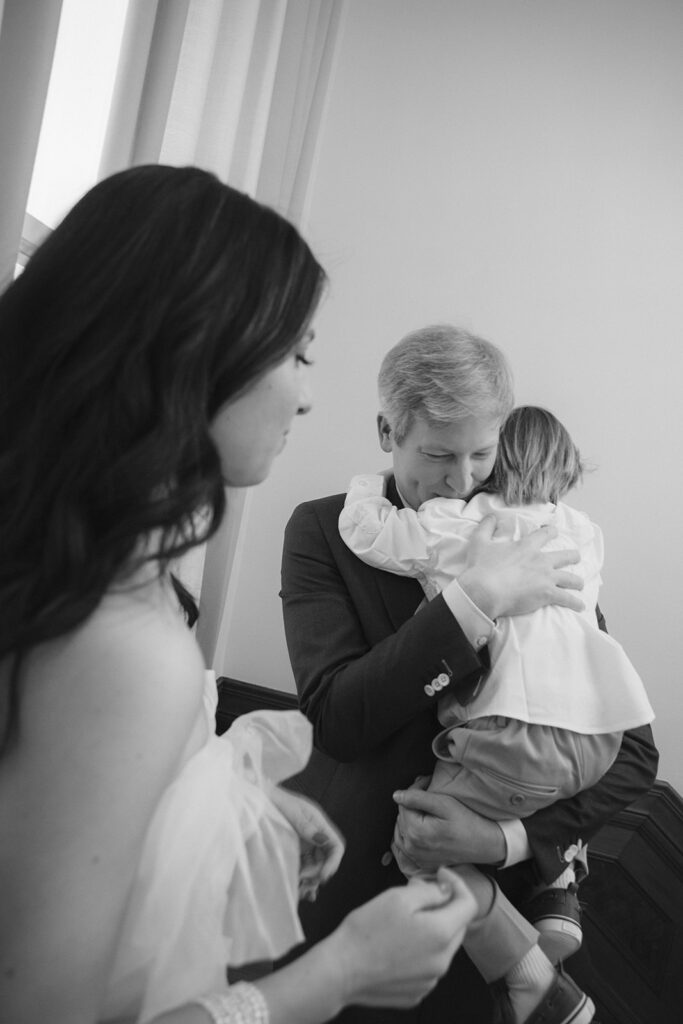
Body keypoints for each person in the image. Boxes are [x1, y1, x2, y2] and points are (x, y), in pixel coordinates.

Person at [0, 169, 481, 1024]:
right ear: (194, 350)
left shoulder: (88, 571)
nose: (305, 391)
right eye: (296, 353)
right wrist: (337, 974)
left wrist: (234, 815)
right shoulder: (122, 643)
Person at [280, 326, 659, 1024]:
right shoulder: (322, 531)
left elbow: (630, 751)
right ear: (385, 429)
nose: (461, 479)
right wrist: (474, 600)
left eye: (481, 454)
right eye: (436, 454)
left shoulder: (534, 530)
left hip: (486, 927)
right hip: (355, 901)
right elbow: (338, 716)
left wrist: (502, 841)